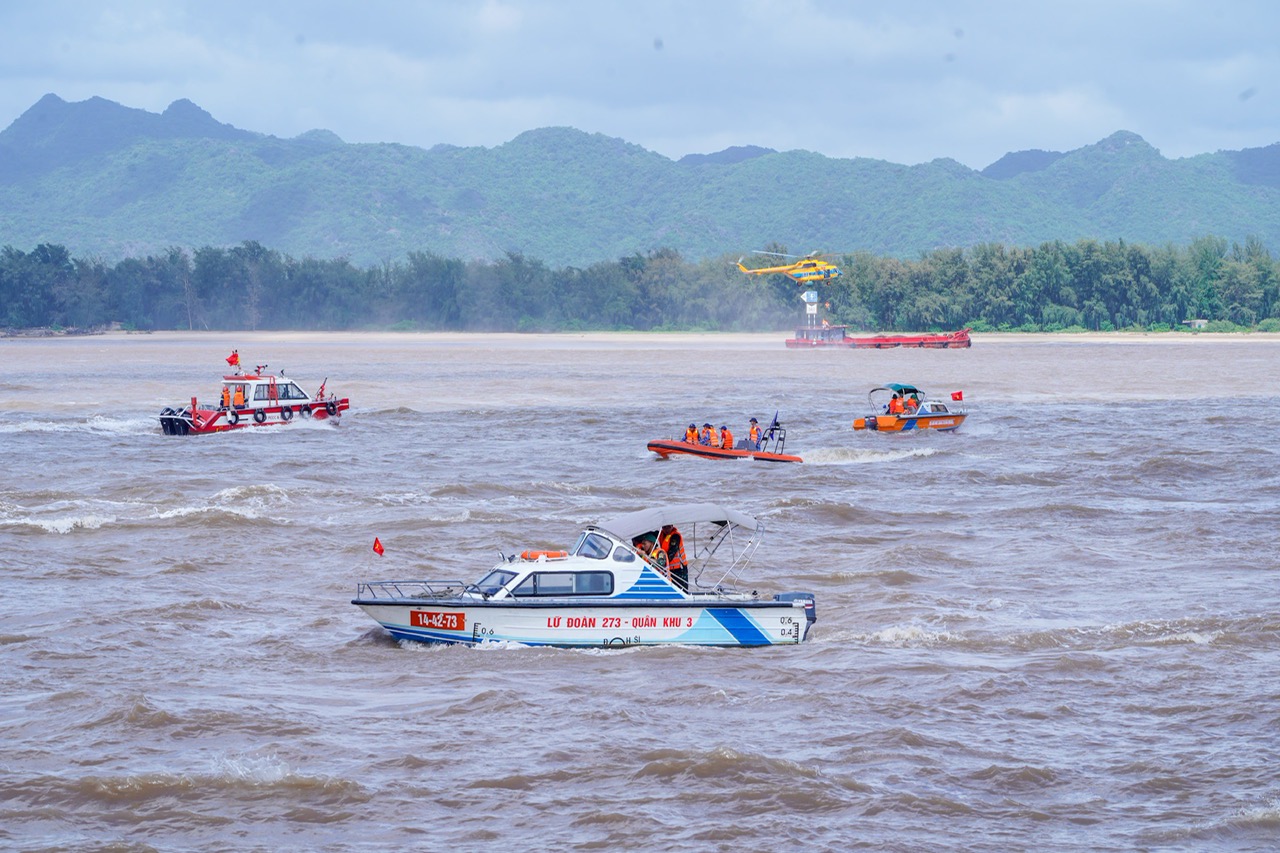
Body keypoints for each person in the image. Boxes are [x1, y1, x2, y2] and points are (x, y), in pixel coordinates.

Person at [659, 525, 688, 590]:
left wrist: (659, 564)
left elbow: (671, 554)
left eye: (668, 527)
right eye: (664, 527)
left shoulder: (675, 536)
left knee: (681, 590)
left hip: (680, 569)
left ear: (672, 526)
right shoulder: (660, 535)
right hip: (668, 569)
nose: (666, 530)